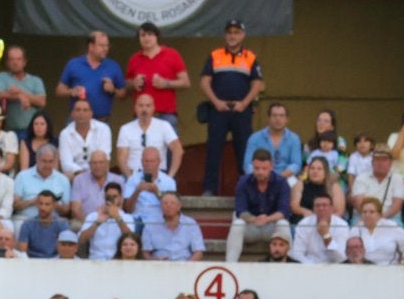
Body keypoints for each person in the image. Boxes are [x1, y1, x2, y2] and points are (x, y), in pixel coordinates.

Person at [200, 19, 263, 197]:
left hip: (241, 111)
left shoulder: (250, 57)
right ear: (224, 35)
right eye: (229, 32)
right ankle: (210, 189)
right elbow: (204, 82)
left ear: (243, 35)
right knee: (213, 150)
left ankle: (246, 189)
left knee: (244, 151)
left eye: (236, 32)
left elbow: (257, 84)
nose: (232, 36)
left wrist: (244, 103)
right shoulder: (215, 55)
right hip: (218, 110)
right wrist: (216, 102)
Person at [226, 148, 290, 262]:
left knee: (283, 224)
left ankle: (289, 263)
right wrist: (253, 219)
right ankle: (230, 265)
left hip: (271, 227)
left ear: (271, 167)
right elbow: (240, 210)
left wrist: (267, 219)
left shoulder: (281, 182)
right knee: (237, 224)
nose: (260, 172)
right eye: (257, 168)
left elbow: (283, 210)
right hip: (251, 226)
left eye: (264, 168)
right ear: (252, 166)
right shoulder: (243, 181)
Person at [125, 22, 188, 126]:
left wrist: (166, 83)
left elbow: (186, 82)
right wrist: (133, 84)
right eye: (143, 35)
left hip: (166, 114)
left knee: (170, 143)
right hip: (142, 114)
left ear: (157, 36)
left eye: (150, 34)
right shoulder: (134, 59)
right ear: (139, 38)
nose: (146, 38)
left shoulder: (171, 54)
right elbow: (126, 85)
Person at [55, 30, 124, 123]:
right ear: (91, 46)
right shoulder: (74, 63)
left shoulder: (113, 66)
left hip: (102, 120)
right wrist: (72, 91)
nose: (106, 49)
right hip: (76, 119)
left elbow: (123, 94)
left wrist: (113, 90)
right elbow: (59, 91)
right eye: (101, 45)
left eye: (107, 45)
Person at [115, 93, 180, 181]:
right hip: (133, 174)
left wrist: (170, 177)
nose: (144, 109)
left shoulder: (164, 126)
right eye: (141, 106)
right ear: (135, 108)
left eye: (148, 106)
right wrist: (131, 179)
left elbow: (178, 150)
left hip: (159, 175)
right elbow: (121, 158)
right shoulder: (125, 129)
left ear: (153, 108)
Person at [243, 102, 302, 182]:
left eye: (281, 116)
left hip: (285, 178)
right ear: (268, 119)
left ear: (287, 120)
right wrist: (260, 175)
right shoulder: (254, 138)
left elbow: (296, 164)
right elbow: (247, 164)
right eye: (274, 115)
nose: (278, 119)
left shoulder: (294, 139)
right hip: (259, 177)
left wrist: (280, 177)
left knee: (295, 183)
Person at [142, 191, 204, 262]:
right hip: (159, 267)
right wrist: (154, 261)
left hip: (185, 265)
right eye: (165, 203)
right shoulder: (150, 224)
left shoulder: (191, 223)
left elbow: (198, 251)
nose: (168, 205)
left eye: (172, 203)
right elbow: (145, 253)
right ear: (160, 206)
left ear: (179, 206)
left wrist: (187, 266)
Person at [57, 98, 111, 178]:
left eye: (85, 110)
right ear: (72, 113)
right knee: (66, 175)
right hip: (75, 175)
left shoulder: (103, 129)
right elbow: (66, 163)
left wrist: (92, 172)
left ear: (91, 113)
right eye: (78, 110)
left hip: (98, 170)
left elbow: (105, 156)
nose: (81, 113)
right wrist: (83, 174)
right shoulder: (65, 134)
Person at [78, 181, 132, 260]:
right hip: (95, 259)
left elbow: (131, 239)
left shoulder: (127, 217)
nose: (112, 199)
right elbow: (81, 240)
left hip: (118, 260)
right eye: (108, 196)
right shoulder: (93, 216)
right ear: (104, 197)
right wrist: (97, 223)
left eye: (115, 196)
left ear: (120, 198)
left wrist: (118, 218)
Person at [292, 193, 350, 265]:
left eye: (324, 205)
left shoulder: (342, 225)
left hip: (334, 268)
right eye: (317, 206)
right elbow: (297, 254)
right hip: (308, 267)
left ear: (331, 208)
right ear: (313, 209)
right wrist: (313, 267)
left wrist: (326, 236)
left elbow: (341, 257)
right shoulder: (303, 224)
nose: (321, 208)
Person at [16, 190, 66, 260]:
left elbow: (66, 250)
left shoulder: (62, 224)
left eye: (47, 204)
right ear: (36, 204)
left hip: (56, 261)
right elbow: (22, 252)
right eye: (40, 204)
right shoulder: (27, 224)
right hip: (32, 262)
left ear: (54, 206)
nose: (43, 208)